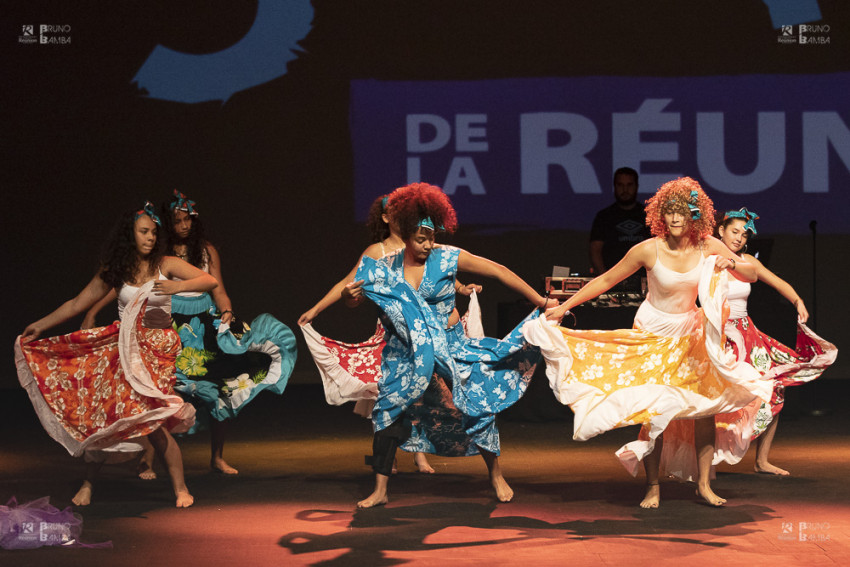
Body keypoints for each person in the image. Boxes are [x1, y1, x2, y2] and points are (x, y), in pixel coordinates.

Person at [524, 177, 772, 508]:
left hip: (690, 334)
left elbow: (751, 273)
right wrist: (565, 307)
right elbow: (607, 279)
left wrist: (732, 263)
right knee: (652, 411)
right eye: (668, 212)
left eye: (681, 212)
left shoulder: (708, 245)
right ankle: (652, 486)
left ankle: (703, 484)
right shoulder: (647, 248)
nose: (674, 219)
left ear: (693, 215)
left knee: (705, 408)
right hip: (652, 333)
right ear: (659, 216)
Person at [349, 182, 557, 508]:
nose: (430, 242)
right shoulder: (385, 263)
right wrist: (349, 299)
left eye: (433, 235)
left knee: (475, 406)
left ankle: (495, 473)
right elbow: (358, 297)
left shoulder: (447, 257)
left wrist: (541, 301)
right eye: (422, 236)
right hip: (408, 351)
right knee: (388, 409)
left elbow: (499, 271)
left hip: (450, 346)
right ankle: (380, 489)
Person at [15, 202, 219, 507]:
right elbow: (77, 303)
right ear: (130, 234)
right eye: (144, 232)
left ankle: (181, 488)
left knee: (154, 422)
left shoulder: (165, 264)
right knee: (114, 415)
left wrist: (177, 288)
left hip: (158, 352)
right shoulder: (117, 270)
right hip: (126, 350)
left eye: (153, 232)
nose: (150, 237)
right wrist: (40, 325)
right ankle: (88, 483)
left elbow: (209, 281)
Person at [84, 190, 298, 476]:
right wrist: (93, 310)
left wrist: (227, 312)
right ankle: (148, 459)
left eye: (188, 220)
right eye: (177, 221)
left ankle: (217, 457)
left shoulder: (207, 251)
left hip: (204, 325)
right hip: (173, 326)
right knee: (156, 395)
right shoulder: (160, 254)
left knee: (219, 388)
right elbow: (125, 283)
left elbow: (216, 286)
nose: (184, 226)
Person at [299, 194, 481, 474]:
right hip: (395, 335)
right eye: (395, 212)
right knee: (389, 395)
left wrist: (463, 289)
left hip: (428, 333)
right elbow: (348, 282)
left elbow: (444, 274)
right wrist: (315, 309)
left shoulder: (424, 242)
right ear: (386, 218)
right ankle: (386, 456)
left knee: (426, 392)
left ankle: (420, 454)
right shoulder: (378, 252)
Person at [715, 208, 837, 475]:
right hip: (718, 337)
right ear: (721, 231)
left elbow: (779, 283)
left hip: (747, 335)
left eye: (744, 234)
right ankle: (695, 460)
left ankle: (762, 460)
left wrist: (798, 301)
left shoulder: (748, 263)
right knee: (711, 398)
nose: (738, 238)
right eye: (734, 231)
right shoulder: (707, 259)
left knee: (774, 389)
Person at [589, 167, 650, 277]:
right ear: (614, 187)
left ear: (636, 186)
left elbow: (658, 249)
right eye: (620, 185)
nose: (625, 190)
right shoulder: (604, 216)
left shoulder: (649, 215)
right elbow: (595, 250)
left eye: (629, 185)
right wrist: (605, 279)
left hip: (644, 281)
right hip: (612, 281)